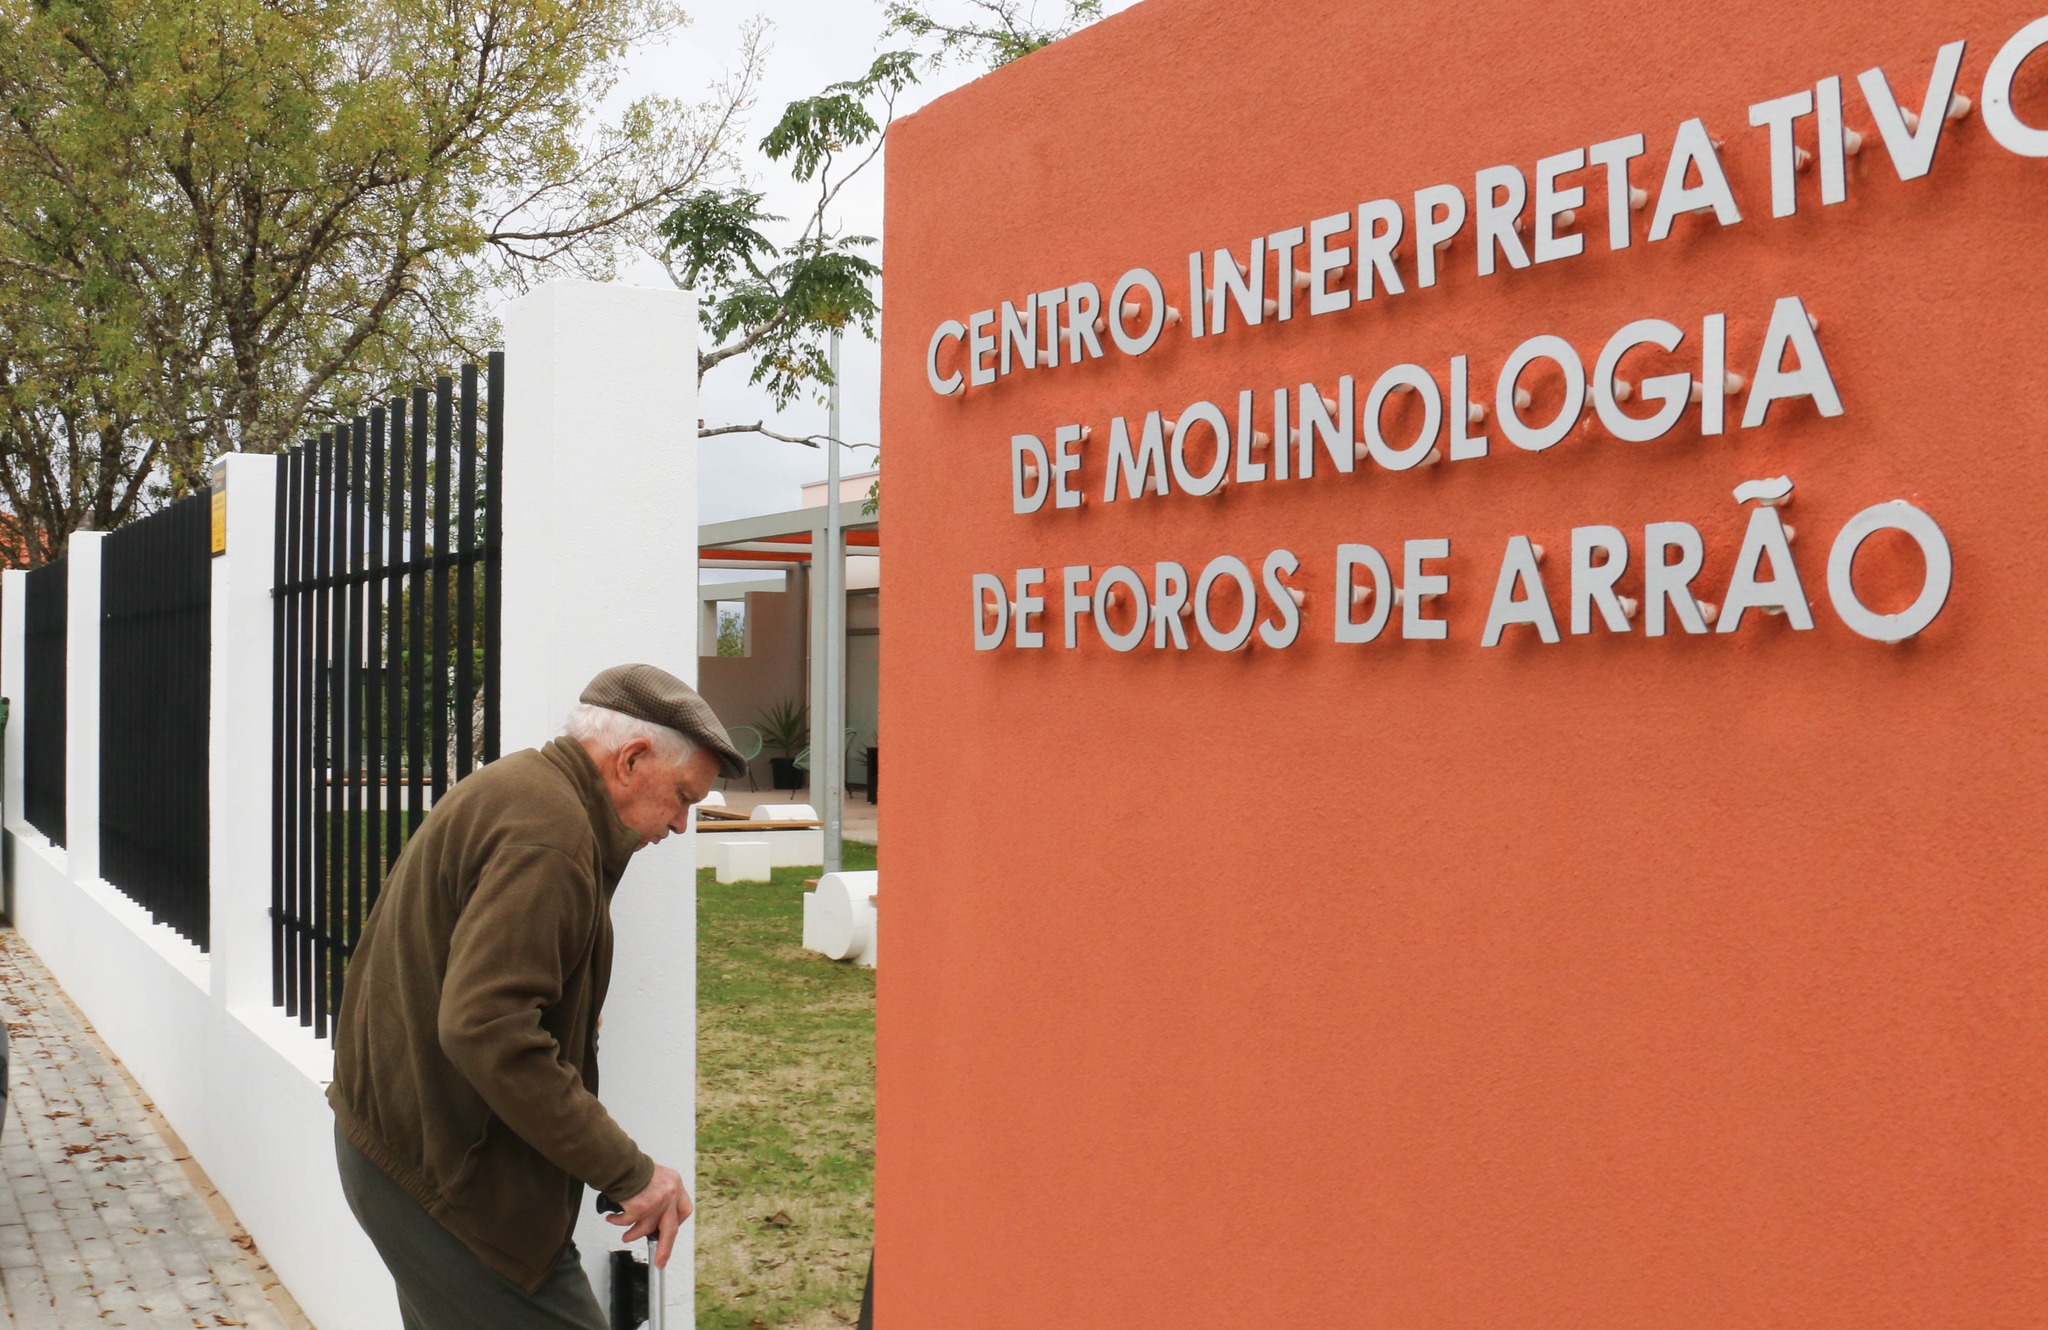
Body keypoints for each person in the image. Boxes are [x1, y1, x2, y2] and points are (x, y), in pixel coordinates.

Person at [328, 663, 745, 1329]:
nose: (680, 825)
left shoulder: (527, 789)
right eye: (683, 797)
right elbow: (485, 1026)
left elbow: (479, 984)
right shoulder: (550, 836)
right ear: (633, 759)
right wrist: (633, 1173)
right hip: (451, 1184)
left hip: (410, 1155)